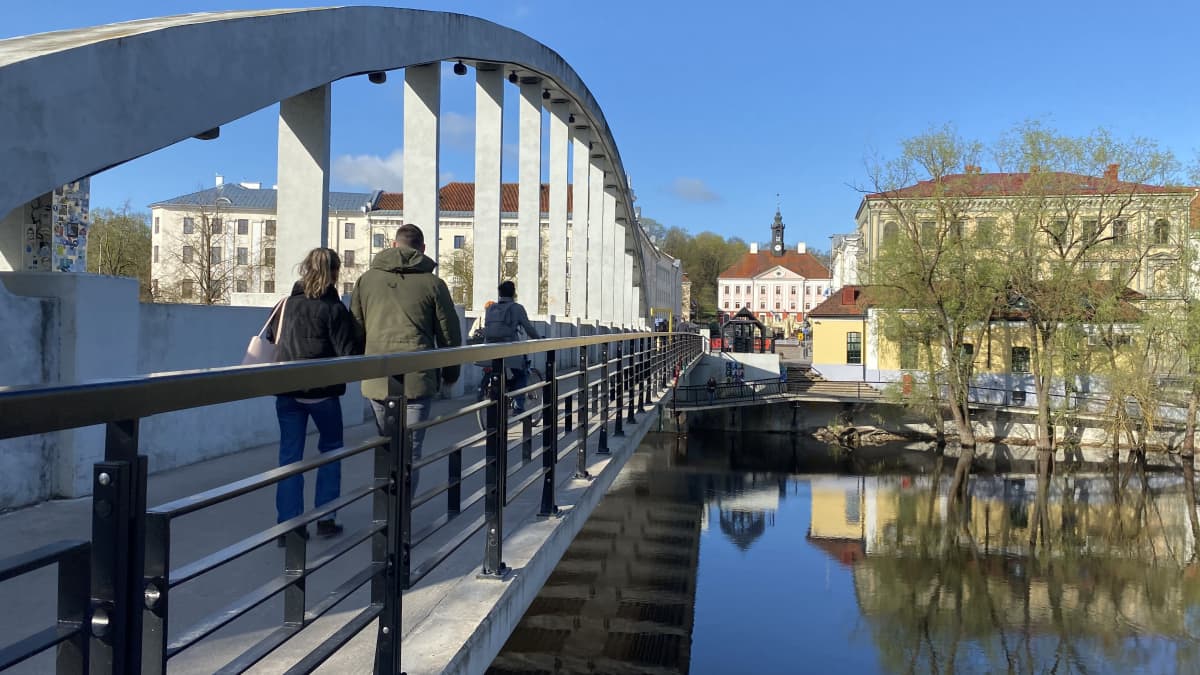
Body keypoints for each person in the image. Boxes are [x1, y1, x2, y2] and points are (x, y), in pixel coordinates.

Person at [352, 224, 462, 491]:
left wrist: (358, 366)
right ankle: (402, 519)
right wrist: (450, 374)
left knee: (386, 446)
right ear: (422, 249)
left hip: (376, 375)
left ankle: (386, 515)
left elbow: (356, 326)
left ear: (393, 245)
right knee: (411, 450)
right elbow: (449, 335)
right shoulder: (434, 284)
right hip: (418, 377)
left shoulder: (366, 280)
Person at [266, 248, 363, 545]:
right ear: (335, 273)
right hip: (322, 393)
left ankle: (289, 527)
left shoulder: (284, 305)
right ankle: (326, 518)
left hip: (288, 391)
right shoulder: (334, 309)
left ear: (304, 269)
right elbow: (348, 353)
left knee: (290, 457)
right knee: (331, 450)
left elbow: (272, 338)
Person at [483, 280, 540, 412]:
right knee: (521, 374)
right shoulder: (517, 308)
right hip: (510, 348)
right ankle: (518, 406)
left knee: (497, 370)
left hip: (489, 348)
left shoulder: (490, 308)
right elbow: (528, 328)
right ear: (514, 293)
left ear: (499, 293)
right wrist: (539, 339)